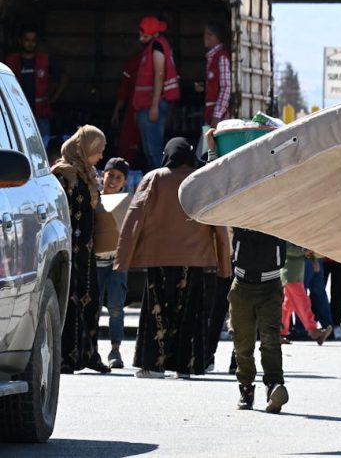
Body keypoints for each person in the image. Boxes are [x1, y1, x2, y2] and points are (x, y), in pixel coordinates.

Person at [115, 137, 231, 379]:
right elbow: (217, 223)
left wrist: (122, 258)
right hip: (195, 261)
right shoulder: (201, 180)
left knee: (157, 311)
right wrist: (224, 263)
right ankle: (186, 366)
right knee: (189, 312)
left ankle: (154, 365)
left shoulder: (155, 178)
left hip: (158, 259)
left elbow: (134, 217)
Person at [52, 125, 110, 374]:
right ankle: (67, 357)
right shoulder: (62, 174)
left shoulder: (88, 173)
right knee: (70, 301)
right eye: (97, 151)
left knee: (90, 299)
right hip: (68, 249)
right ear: (83, 149)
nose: (100, 156)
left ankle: (89, 354)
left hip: (85, 252)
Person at [226, 226, 290, 412]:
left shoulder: (275, 206)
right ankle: (246, 388)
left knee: (270, 339)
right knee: (242, 341)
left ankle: (274, 385)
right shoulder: (240, 205)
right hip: (242, 284)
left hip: (270, 285)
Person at [132, 16, 180, 170]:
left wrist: (154, 106)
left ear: (153, 34)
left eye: (144, 36)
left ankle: (160, 183)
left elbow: (159, 74)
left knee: (154, 150)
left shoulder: (157, 46)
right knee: (149, 150)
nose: (141, 38)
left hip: (152, 105)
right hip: (145, 105)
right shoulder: (153, 45)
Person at [5, 25, 67, 142]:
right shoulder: (11, 60)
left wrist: (54, 97)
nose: (30, 44)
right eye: (27, 40)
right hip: (17, 113)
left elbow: (63, 78)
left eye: (33, 41)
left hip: (41, 113)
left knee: (42, 145)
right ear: (20, 41)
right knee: (18, 144)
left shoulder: (45, 60)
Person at [97, 157, 130, 369]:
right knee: (93, 307)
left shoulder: (126, 203)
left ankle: (115, 349)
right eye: (110, 175)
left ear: (124, 182)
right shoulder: (93, 199)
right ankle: (91, 349)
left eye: (118, 178)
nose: (113, 180)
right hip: (96, 262)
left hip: (117, 263)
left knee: (116, 306)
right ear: (103, 175)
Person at [280, 242, 331, 344]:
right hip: (290, 274)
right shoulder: (287, 232)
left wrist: (313, 260)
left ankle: (278, 333)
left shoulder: (297, 231)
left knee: (287, 307)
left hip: (295, 274)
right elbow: (287, 248)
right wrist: (304, 252)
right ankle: (313, 331)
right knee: (303, 303)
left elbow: (305, 249)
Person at [195, 23, 231, 128]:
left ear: (217, 37)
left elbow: (226, 87)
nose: (205, 37)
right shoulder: (212, 57)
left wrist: (217, 115)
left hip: (219, 117)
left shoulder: (221, 57)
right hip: (211, 114)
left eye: (209, 34)